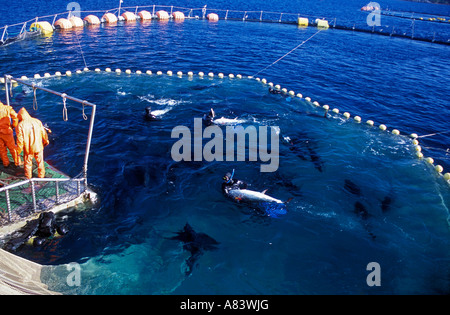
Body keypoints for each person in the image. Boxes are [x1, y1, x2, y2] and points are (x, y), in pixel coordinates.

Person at [15, 107, 49, 179]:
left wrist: (18, 151)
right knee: (40, 162)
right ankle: (41, 176)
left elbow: (20, 140)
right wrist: (46, 141)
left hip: (28, 149)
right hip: (39, 146)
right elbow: (43, 133)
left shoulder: (20, 125)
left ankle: (28, 177)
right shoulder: (37, 121)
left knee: (28, 163)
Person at [0, 101, 22, 168]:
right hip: (7, 132)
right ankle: (17, 162)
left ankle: (6, 163)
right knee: (12, 148)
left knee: (1, 149)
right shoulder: (7, 108)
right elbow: (15, 117)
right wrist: (13, 125)